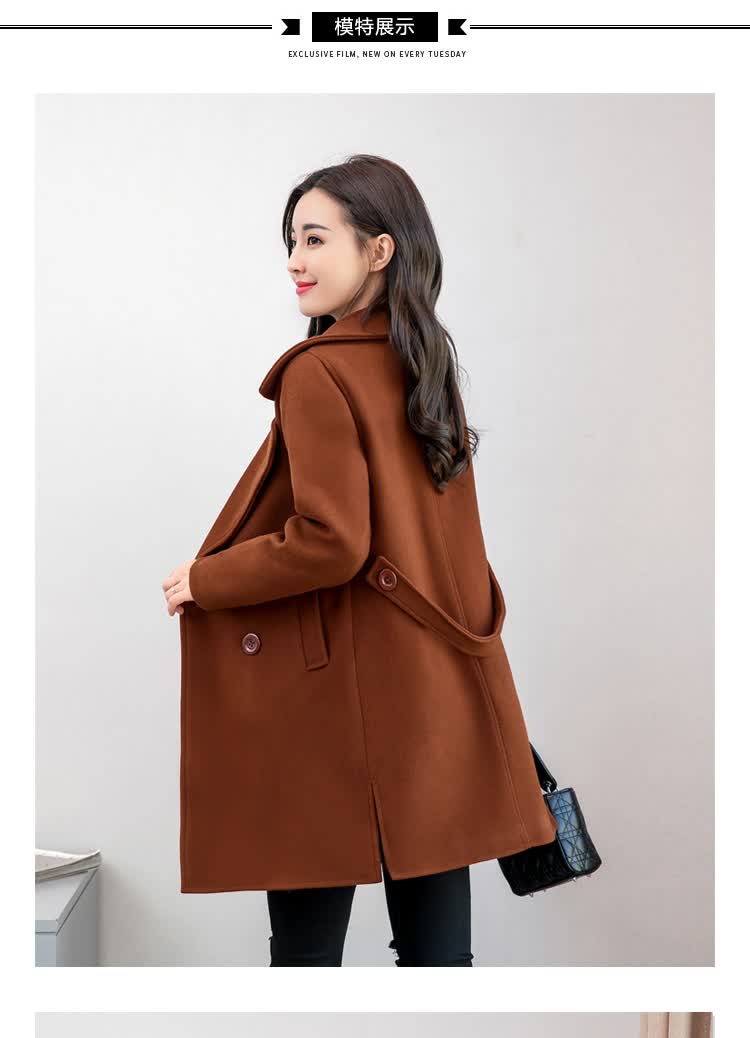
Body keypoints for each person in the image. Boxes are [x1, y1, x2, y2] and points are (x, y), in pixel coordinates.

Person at [162, 154, 558, 967]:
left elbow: (331, 541)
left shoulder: (318, 373)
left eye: (314, 239)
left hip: (335, 711)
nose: (294, 261)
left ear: (379, 250)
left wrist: (206, 579)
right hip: (432, 698)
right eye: (291, 242)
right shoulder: (425, 363)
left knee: (306, 968)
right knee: (438, 963)